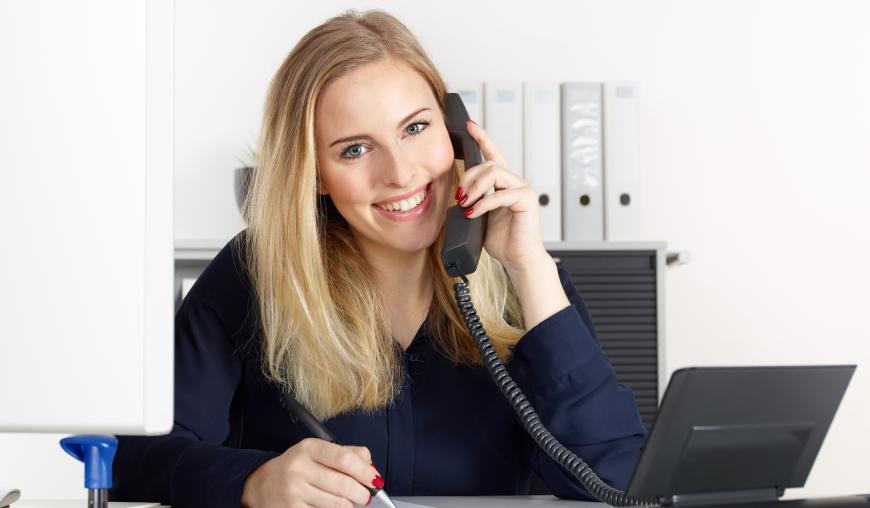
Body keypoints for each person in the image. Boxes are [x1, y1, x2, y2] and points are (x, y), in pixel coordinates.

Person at [111, 9, 646, 508]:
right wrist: (254, 481)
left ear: (458, 133)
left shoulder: (524, 285)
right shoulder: (254, 274)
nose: (400, 173)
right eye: (355, 149)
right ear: (315, 174)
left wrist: (528, 265)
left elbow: (615, 479)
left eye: (416, 129)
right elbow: (131, 460)